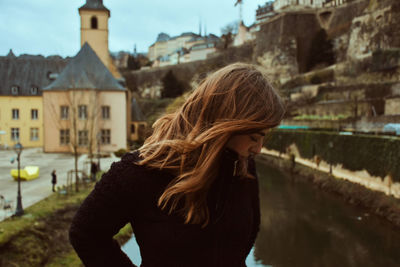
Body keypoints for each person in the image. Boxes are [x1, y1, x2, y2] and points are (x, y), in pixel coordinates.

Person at [69, 63, 285, 267]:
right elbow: (85, 233)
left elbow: (251, 229)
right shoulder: (139, 171)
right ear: (225, 125)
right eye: (255, 137)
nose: (258, 149)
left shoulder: (243, 166)